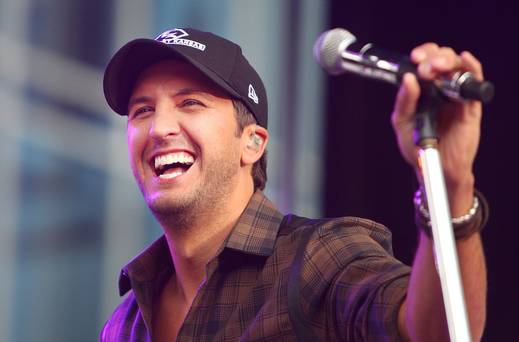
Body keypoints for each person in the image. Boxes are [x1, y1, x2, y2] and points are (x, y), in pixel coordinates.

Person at [100, 28, 488, 341]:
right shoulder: (124, 323)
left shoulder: (318, 257)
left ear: (252, 142)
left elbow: (435, 334)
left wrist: (451, 187)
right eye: (143, 110)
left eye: (191, 103)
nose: (160, 128)